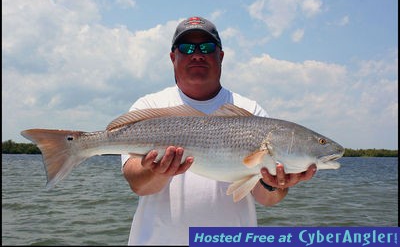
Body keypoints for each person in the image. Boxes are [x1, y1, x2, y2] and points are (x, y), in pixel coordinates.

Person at [121, 16, 316, 245]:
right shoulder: (149, 107)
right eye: (186, 48)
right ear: (173, 57)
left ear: (220, 56)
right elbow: (138, 184)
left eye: (206, 46)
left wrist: (274, 182)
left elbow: (267, 199)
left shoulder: (251, 112)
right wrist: (156, 171)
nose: (197, 54)